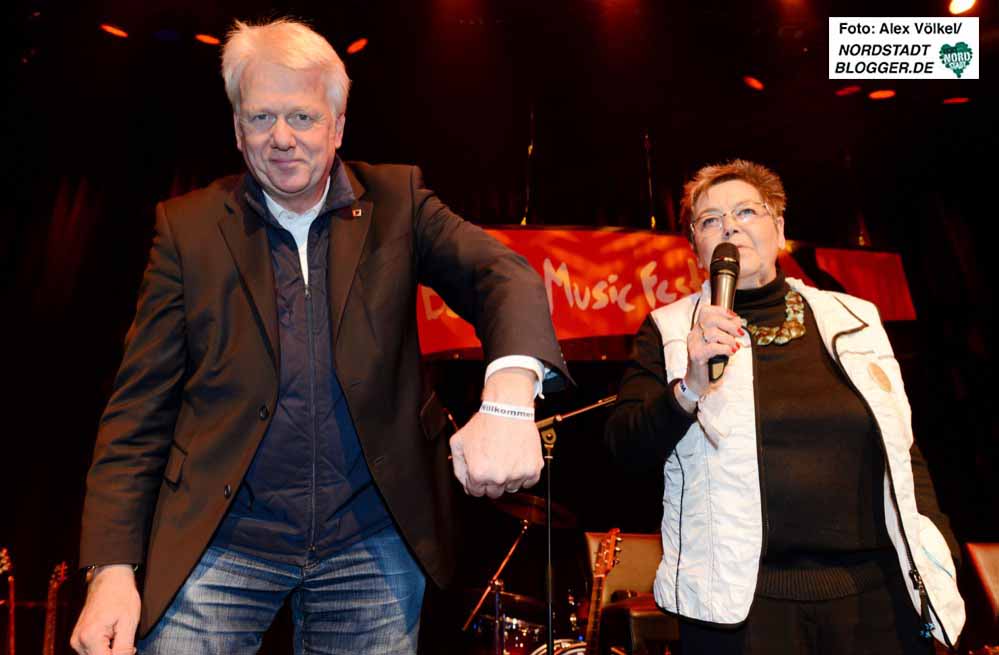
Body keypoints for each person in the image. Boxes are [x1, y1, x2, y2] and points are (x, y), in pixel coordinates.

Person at [70, 18, 568, 655]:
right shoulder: (186, 229)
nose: (281, 137)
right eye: (261, 117)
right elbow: (136, 414)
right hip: (221, 541)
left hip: (370, 545)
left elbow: (501, 275)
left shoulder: (399, 202)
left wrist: (508, 400)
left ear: (337, 126)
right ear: (237, 129)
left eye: (302, 117)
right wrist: (111, 572)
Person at [604, 159, 964, 654]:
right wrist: (688, 387)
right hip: (743, 611)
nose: (729, 227)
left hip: (877, 600)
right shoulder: (669, 330)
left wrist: (940, 553)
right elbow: (625, 446)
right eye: (710, 220)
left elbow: (901, 450)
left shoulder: (856, 318)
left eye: (746, 212)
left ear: (778, 227)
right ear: (695, 247)